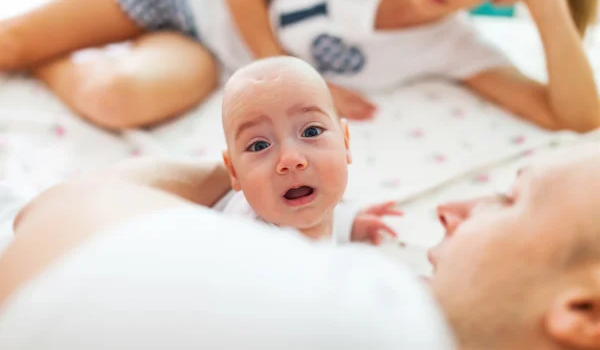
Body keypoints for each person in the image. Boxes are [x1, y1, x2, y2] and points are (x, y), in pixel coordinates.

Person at [2, 144, 600, 349]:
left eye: (509, 201)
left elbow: (51, 217)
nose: (452, 209)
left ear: (584, 310)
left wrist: (225, 171)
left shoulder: (373, 324)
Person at [0, 0, 597, 131]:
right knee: (12, 42)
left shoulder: (455, 46)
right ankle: (40, 49)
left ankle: (50, 59)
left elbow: (575, 116)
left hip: (212, 55)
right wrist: (301, 81)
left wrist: (547, 1)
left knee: (117, 99)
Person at [217, 56, 401, 243]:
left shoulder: (325, 199)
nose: (290, 159)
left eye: (311, 132)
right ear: (234, 171)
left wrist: (353, 225)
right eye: (259, 146)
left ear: (345, 142)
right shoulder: (246, 241)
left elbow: (330, 217)